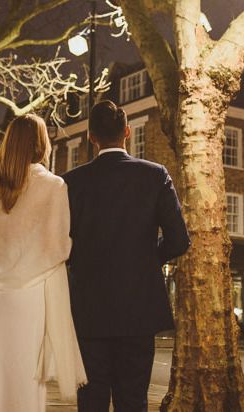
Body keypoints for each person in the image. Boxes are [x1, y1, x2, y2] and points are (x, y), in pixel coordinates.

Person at [64, 100, 190, 412]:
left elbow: (59, 242)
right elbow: (178, 240)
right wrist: (147, 259)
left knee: (90, 400)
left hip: (88, 309)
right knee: (133, 400)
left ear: (92, 137)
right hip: (137, 308)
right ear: (128, 132)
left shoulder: (71, 183)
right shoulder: (154, 176)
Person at [0, 114, 86, 412]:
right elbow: (58, 247)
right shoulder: (54, 186)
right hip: (27, 297)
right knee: (20, 381)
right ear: (42, 145)